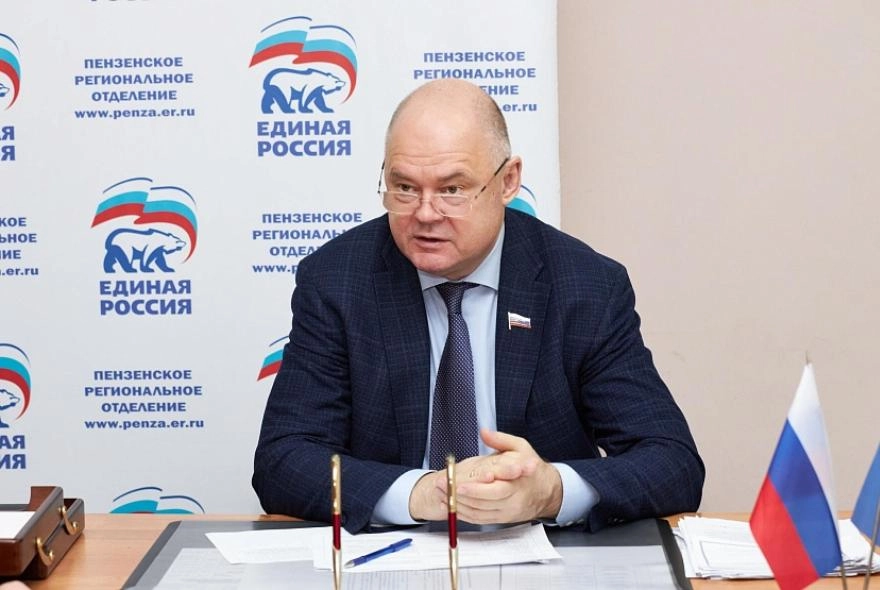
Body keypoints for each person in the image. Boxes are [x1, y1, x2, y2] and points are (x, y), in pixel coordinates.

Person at [253, 79, 704, 534]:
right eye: (404, 187)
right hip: (393, 555)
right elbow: (283, 461)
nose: (425, 213)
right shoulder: (337, 281)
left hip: (543, 557)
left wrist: (550, 491)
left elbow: (673, 463)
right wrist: (422, 493)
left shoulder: (585, 287)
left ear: (508, 181)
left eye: (452, 189)